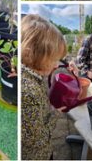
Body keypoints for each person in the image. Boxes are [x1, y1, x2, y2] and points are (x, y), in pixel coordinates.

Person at [21, 14, 69, 160]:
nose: (57, 65)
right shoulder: (28, 92)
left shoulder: (33, 74)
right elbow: (37, 139)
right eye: (54, 59)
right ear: (35, 54)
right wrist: (55, 114)